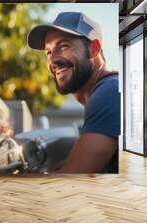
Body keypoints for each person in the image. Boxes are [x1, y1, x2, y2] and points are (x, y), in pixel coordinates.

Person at [27, 12, 120, 173]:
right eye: (48, 52)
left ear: (94, 49)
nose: (53, 60)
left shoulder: (109, 92)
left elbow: (71, 179)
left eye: (63, 46)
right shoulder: (104, 91)